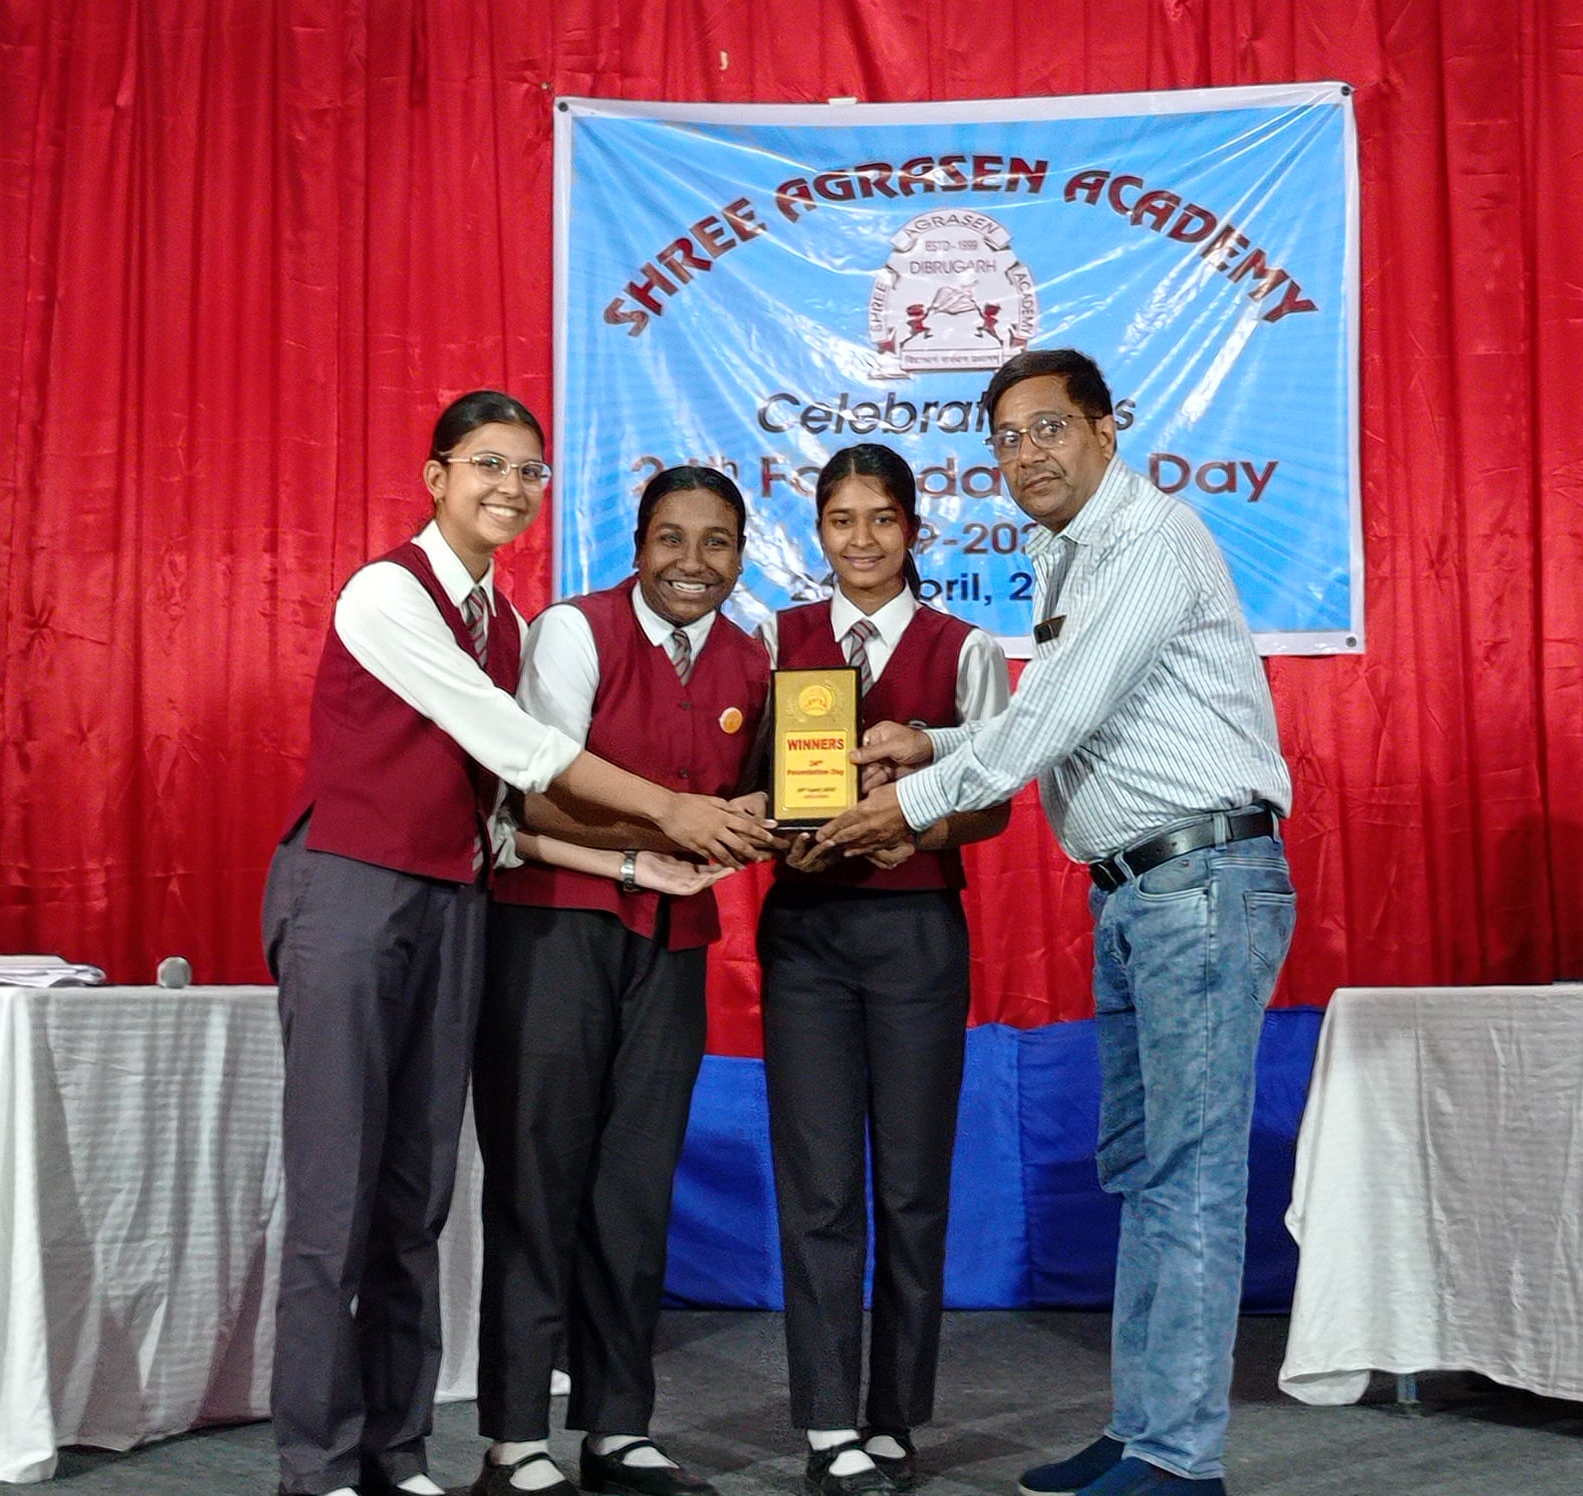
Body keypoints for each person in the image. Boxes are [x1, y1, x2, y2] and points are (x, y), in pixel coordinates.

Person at [792, 348, 1294, 1496]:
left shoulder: (1150, 540)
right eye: (1007, 439)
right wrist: (929, 742)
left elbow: (1052, 720)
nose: (1026, 455)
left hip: (1201, 884)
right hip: (1138, 890)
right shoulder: (1068, 551)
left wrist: (907, 802)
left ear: (1107, 429)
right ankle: (1143, 1428)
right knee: (1148, 1171)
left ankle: (1180, 1457)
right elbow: (1061, 714)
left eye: (1049, 428)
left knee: (1188, 1174)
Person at [268, 393, 769, 1496]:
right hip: (353, 888)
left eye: (529, 471)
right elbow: (520, 751)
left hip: (457, 896)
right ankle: (317, 1464)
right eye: (488, 464)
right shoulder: (387, 593)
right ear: (437, 474)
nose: (510, 486)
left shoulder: (501, 617)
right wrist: (669, 814)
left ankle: (396, 1452)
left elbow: (499, 819)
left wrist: (638, 866)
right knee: (335, 1197)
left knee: (416, 1198)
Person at [469, 465, 781, 1496]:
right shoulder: (575, 631)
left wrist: (794, 807)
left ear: (741, 554)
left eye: (717, 542)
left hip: (673, 942)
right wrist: (665, 830)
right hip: (555, 930)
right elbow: (533, 793)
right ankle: (516, 1440)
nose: (693, 562)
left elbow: (759, 800)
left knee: (636, 1188)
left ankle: (617, 1430)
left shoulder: (754, 655)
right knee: (537, 1178)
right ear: (638, 544)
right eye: (671, 539)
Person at [758, 443, 1015, 1496]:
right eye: (841, 520)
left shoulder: (967, 648)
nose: (860, 540)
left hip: (915, 933)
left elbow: (994, 800)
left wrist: (919, 829)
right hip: (805, 933)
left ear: (915, 530)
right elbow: (752, 781)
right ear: (817, 531)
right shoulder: (774, 639)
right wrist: (782, 835)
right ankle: (828, 1422)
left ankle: (895, 1415)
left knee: (911, 1185)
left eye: (881, 519)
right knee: (818, 1184)